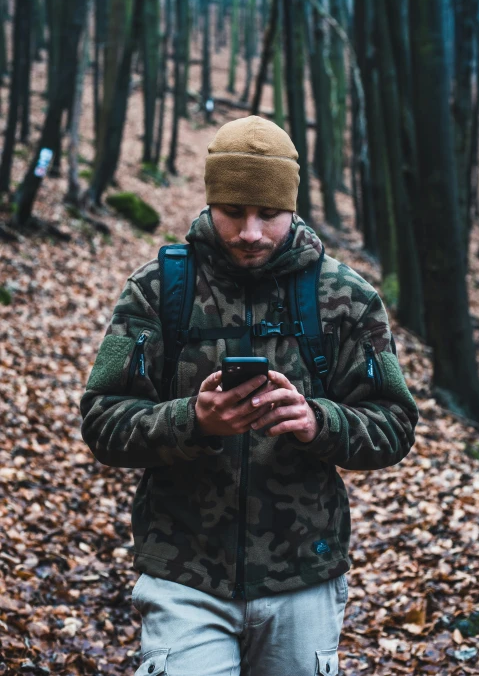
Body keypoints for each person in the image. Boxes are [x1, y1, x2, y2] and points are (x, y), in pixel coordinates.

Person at [80, 115, 418, 676]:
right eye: (234, 211)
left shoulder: (346, 297)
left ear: (293, 208)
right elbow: (102, 421)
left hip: (303, 579)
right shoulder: (160, 289)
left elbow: (395, 423)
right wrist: (194, 420)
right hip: (184, 574)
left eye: (269, 214)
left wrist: (319, 423)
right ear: (211, 200)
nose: (251, 232)